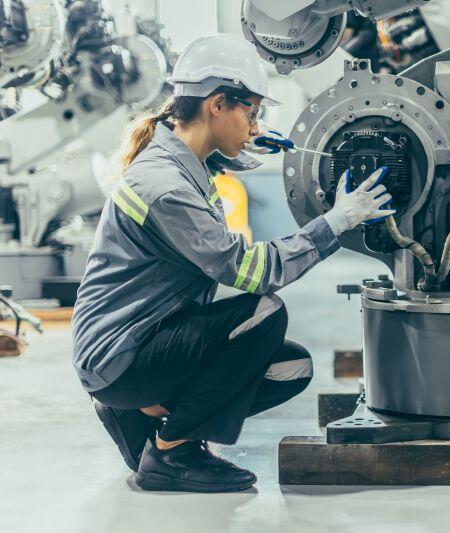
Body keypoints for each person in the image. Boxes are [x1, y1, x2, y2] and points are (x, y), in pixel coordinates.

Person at [71, 34, 395, 493]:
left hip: (136, 343)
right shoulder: (166, 186)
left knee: (291, 369)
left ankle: (145, 417)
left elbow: (201, 174)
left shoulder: (173, 159)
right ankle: (170, 453)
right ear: (217, 104)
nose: (256, 124)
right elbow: (252, 270)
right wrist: (335, 223)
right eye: (252, 112)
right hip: (120, 357)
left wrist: (243, 149)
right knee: (265, 311)